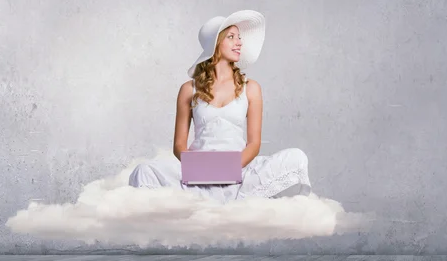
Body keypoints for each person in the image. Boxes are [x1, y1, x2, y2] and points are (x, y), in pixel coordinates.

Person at [128, 10, 312, 203]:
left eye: (239, 38)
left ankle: (233, 193)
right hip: (197, 171)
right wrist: (202, 170)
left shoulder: (251, 88)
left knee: (296, 157)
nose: (239, 42)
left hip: (240, 170)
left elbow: (254, 144)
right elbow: (179, 145)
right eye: (231, 37)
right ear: (216, 44)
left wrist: (228, 169)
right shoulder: (188, 90)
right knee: (144, 171)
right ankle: (204, 193)